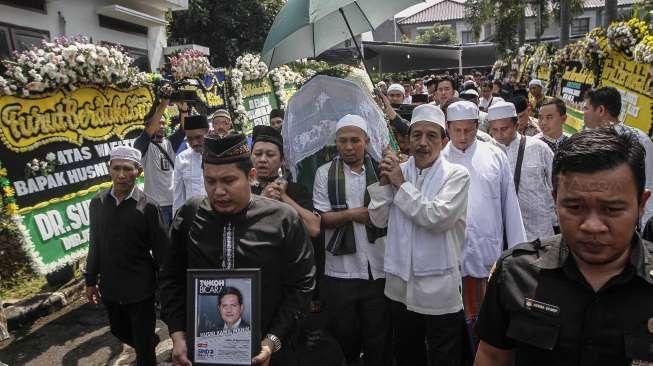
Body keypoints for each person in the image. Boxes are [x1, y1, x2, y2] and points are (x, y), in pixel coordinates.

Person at [474, 128, 653, 365]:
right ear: (555, 200)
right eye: (575, 207)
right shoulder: (516, 273)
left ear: (641, 204)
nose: (592, 226)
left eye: (612, 210)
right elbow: (493, 357)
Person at [160, 134, 316, 366]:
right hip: (206, 351)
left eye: (228, 180)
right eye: (210, 181)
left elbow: (302, 285)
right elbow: (170, 278)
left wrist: (272, 340)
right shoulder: (191, 215)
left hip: (268, 352)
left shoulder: (283, 218)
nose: (218, 191)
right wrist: (178, 333)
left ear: (251, 176)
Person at [368, 104, 471, 366]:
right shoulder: (398, 170)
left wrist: (400, 184)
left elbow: (436, 218)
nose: (423, 143)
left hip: (438, 290)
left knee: (444, 356)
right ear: (408, 138)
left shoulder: (456, 175)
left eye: (431, 136)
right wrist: (383, 183)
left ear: (443, 139)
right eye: (417, 135)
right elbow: (377, 219)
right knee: (406, 354)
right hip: (399, 288)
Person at [442, 100, 526, 335]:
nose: (462, 136)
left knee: (488, 325)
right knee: (453, 327)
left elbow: (510, 206)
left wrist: (519, 253)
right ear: (447, 128)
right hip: (449, 258)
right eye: (456, 130)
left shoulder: (494, 155)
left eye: (468, 130)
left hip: (487, 254)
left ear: (477, 126)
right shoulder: (438, 160)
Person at [312, 115, 390, 366]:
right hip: (340, 272)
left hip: (378, 268)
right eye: (342, 141)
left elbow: (387, 215)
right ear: (335, 142)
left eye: (355, 140)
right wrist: (355, 214)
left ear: (366, 141)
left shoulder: (382, 171)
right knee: (345, 337)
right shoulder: (324, 174)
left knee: (378, 338)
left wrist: (347, 216)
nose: (348, 146)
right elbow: (323, 219)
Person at [85, 146, 168, 366]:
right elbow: (95, 244)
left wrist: (166, 287)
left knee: (144, 354)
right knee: (118, 330)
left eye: (127, 169)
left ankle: (146, 346)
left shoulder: (149, 207)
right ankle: (148, 341)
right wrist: (90, 280)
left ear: (138, 171)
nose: (121, 175)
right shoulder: (98, 203)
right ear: (109, 169)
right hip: (111, 286)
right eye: (116, 168)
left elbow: (162, 251)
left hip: (141, 288)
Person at [583, 86, 653, 225]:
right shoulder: (642, 137)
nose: (583, 112)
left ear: (601, 110)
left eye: (586, 108)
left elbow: (649, 185)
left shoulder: (638, 139)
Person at [487, 101, 557, 241]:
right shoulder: (485, 153)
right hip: (501, 235)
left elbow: (557, 186)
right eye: (495, 130)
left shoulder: (539, 148)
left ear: (516, 125)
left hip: (539, 232)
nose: (499, 135)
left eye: (504, 129)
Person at [250, 125, 320, 237]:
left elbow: (313, 229)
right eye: (258, 154)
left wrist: (283, 196)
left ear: (282, 160)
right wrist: (263, 200)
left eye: (270, 154)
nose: (262, 159)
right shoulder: (243, 191)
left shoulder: (295, 190)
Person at [134, 99, 187, 226]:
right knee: (162, 242)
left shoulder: (169, 143)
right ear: (150, 124)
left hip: (175, 202)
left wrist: (184, 110)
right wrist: (164, 103)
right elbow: (149, 130)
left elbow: (184, 129)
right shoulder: (143, 145)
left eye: (164, 123)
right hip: (156, 205)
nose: (162, 126)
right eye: (159, 123)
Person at [172, 114, 209, 214]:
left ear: (207, 132)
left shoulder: (220, 154)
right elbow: (178, 196)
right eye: (189, 139)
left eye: (198, 137)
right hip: (193, 217)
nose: (194, 143)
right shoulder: (181, 159)